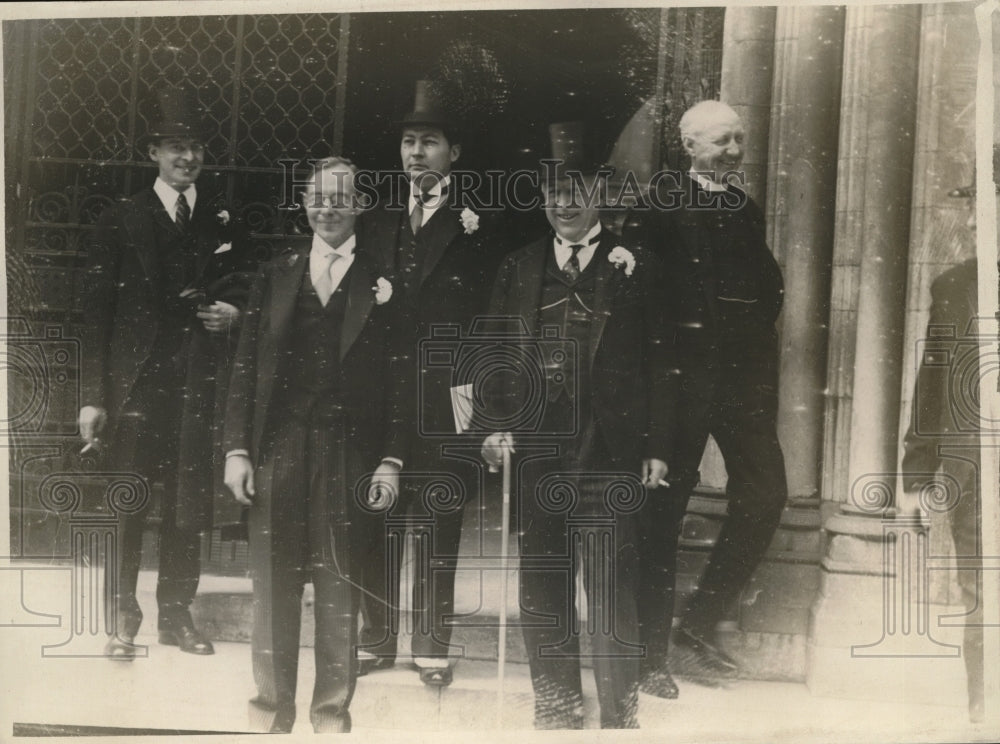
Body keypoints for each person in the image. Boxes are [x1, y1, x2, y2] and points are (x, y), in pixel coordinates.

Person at [480, 122, 675, 729]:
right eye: (552, 189)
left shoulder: (634, 266)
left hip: (608, 449)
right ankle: (558, 703)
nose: (563, 201)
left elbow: (662, 360)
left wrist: (659, 446)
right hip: (537, 452)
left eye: (575, 187)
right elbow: (487, 352)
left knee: (611, 583)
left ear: (598, 191)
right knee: (543, 582)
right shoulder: (517, 266)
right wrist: (488, 426)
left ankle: (619, 712)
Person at [222, 157, 410, 733]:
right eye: (317, 197)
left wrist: (391, 459)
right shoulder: (276, 273)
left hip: (348, 451)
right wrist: (236, 449)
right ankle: (269, 715)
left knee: (337, 586)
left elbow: (405, 377)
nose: (327, 207)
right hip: (278, 448)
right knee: (273, 585)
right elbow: (244, 368)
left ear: (358, 206)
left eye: (339, 197)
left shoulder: (385, 278)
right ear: (305, 203)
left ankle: (331, 716)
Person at [79, 86, 255, 661]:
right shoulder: (121, 219)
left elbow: (248, 288)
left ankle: (176, 615)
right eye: (176, 147)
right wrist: (92, 396)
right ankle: (121, 616)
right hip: (137, 385)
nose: (187, 158)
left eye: (196, 148)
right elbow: (96, 315)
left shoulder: (223, 217)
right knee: (129, 499)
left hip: (199, 378)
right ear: (155, 152)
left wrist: (234, 314)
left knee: (188, 503)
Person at [623, 99, 788, 694]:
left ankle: (695, 625)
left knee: (767, 495)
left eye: (740, 140)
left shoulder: (744, 209)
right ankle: (646, 659)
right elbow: (640, 300)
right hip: (681, 381)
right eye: (722, 142)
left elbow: (768, 285)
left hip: (740, 382)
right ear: (689, 146)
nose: (735, 152)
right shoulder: (658, 207)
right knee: (663, 511)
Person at [357, 80, 507, 686]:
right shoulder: (377, 220)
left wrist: (482, 401)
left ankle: (432, 645)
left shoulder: (482, 225)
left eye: (430, 142)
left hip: (450, 390)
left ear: (454, 153)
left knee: (440, 515)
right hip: (382, 386)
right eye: (409, 142)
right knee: (379, 510)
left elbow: (494, 317)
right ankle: (375, 638)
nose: (417, 153)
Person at [901, 152, 997, 724]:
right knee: (983, 597)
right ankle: (984, 713)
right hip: (977, 469)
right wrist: (916, 477)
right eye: (980, 208)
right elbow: (931, 385)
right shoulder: (955, 285)